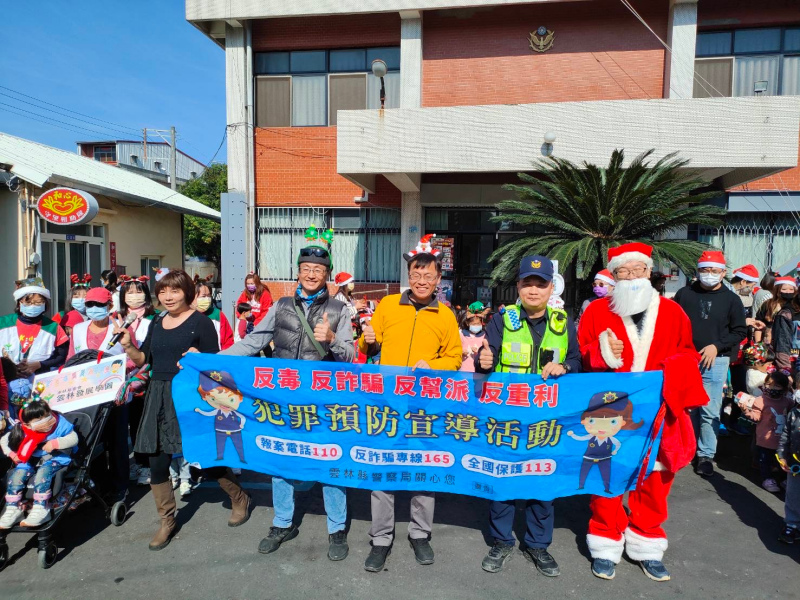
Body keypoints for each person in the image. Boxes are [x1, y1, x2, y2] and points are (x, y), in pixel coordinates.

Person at [219, 227, 354, 561]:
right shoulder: (280, 305)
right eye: (306, 268)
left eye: (319, 270)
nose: (311, 274)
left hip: (323, 402)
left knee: (329, 462)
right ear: (298, 271)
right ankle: (282, 523)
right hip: (283, 398)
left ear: (326, 275)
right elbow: (255, 341)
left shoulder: (339, 310)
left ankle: (336, 528)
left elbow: (351, 357)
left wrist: (333, 340)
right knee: (280, 459)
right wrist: (211, 360)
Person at [578, 242, 708, 582]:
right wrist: (602, 352)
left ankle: (646, 541)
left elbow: (688, 353)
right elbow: (582, 356)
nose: (631, 276)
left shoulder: (673, 312)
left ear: (650, 273)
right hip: (609, 410)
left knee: (656, 479)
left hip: (660, 412)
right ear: (614, 275)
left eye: (638, 270)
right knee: (607, 475)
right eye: (623, 271)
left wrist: (672, 368)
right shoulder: (596, 311)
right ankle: (606, 540)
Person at [112, 269, 250, 550]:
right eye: (162, 291)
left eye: (174, 290)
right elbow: (144, 359)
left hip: (189, 396)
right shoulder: (158, 321)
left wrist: (200, 360)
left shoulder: (202, 323)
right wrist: (128, 346)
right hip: (158, 395)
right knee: (157, 461)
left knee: (204, 457)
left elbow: (214, 368)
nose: (167, 296)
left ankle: (239, 498)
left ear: (187, 291)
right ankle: (167, 521)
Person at [359, 234, 462, 573]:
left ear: (437, 279)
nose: (421, 281)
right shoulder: (388, 306)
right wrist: (368, 339)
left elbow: (456, 358)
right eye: (416, 275)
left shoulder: (445, 316)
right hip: (387, 402)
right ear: (409, 276)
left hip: (425, 405)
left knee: (422, 468)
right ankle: (381, 539)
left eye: (428, 276)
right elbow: (369, 347)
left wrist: (434, 366)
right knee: (383, 468)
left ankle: (420, 534)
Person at [474, 255, 582, 577]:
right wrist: (484, 359)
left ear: (551, 289)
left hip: (547, 420)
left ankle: (537, 545)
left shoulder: (564, 324)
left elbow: (577, 361)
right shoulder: (501, 320)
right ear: (518, 286)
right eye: (527, 283)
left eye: (541, 284)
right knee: (503, 480)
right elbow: (487, 360)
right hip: (506, 417)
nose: (533, 290)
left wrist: (564, 367)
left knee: (542, 482)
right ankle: (501, 541)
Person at [674, 250, 747, 478]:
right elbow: (674, 323)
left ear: (723, 272)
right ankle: (688, 450)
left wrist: (717, 345)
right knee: (688, 408)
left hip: (716, 361)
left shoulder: (732, 299)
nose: (709, 274)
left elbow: (739, 331)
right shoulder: (684, 294)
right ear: (697, 271)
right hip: (686, 359)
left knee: (709, 409)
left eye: (714, 271)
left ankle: (705, 454)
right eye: (705, 270)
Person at [0, 399, 78, 528]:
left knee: (42, 473)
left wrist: (55, 443)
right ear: (27, 424)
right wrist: (12, 454)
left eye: (46, 416)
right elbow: (4, 440)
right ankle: (13, 508)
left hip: (55, 457)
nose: (45, 421)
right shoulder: (21, 430)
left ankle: (42, 507)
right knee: (17, 475)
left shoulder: (59, 424)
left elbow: (73, 438)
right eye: (38, 420)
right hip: (30, 459)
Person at [118, 276, 157, 486]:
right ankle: (131, 462)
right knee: (125, 425)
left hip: (147, 378)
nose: (134, 296)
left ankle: (145, 464)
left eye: (138, 291)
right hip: (120, 380)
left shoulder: (157, 318)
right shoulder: (115, 318)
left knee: (143, 422)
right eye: (129, 292)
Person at [0, 278, 69, 387]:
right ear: (19, 303)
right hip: (5, 381)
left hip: (41, 382)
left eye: (38, 303)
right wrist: (9, 368)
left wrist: (40, 364)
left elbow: (61, 356)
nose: (33, 306)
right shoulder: (3, 323)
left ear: (45, 304)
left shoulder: (53, 327)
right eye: (28, 302)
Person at [735, 371, 792, 492]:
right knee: (765, 460)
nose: (771, 388)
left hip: (782, 440)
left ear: (784, 388)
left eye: (776, 386)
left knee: (782, 460)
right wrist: (746, 412)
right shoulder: (760, 400)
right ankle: (767, 478)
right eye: (769, 384)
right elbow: (756, 417)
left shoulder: (787, 402)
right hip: (765, 439)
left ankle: (783, 479)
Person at [777, 388, 800, 544]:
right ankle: (792, 524)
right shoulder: (794, 413)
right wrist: (782, 455)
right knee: (793, 495)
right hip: (795, 463)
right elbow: (785, 435)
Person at [768, 277, 800, 376]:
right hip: (792, 362)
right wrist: (786, 371)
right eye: (784, 289)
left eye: (791, 289)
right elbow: (782, 343)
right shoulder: (787, 313)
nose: (788, 292)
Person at [194, 279, 234, 351]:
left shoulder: (217, 314)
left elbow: (228, 340)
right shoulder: (187, 315)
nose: (207, 299)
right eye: (203, 296)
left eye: (209, 296)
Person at [459, 301, 489, 372]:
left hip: (478, 372)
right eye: (474, 324)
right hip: (463, 371)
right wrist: (461, 352)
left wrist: (479, 351)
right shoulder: (462, 335)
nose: (476, 326)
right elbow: (455, 349)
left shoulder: (484, 336)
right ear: (467, 323)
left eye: (478, 324)